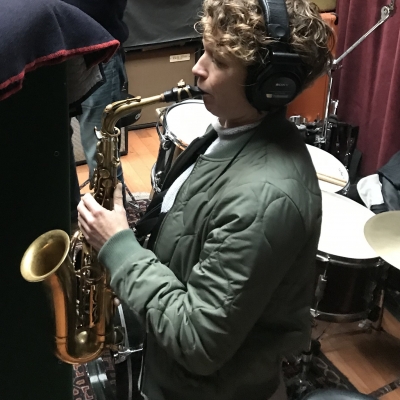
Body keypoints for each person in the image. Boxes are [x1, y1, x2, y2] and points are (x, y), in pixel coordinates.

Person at [77, 0, 334, 399]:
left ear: (270, 86)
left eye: (218, 61)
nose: (197, 69)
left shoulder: (266, 202)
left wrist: (118, 246)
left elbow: (199, 343)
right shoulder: (229, 130)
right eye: (204, 50)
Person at [66, 0, 129, 230]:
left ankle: (116, 231)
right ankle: (71, 223)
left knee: (101, 151)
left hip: (98, 48)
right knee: (55, 144)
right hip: (49, 50)